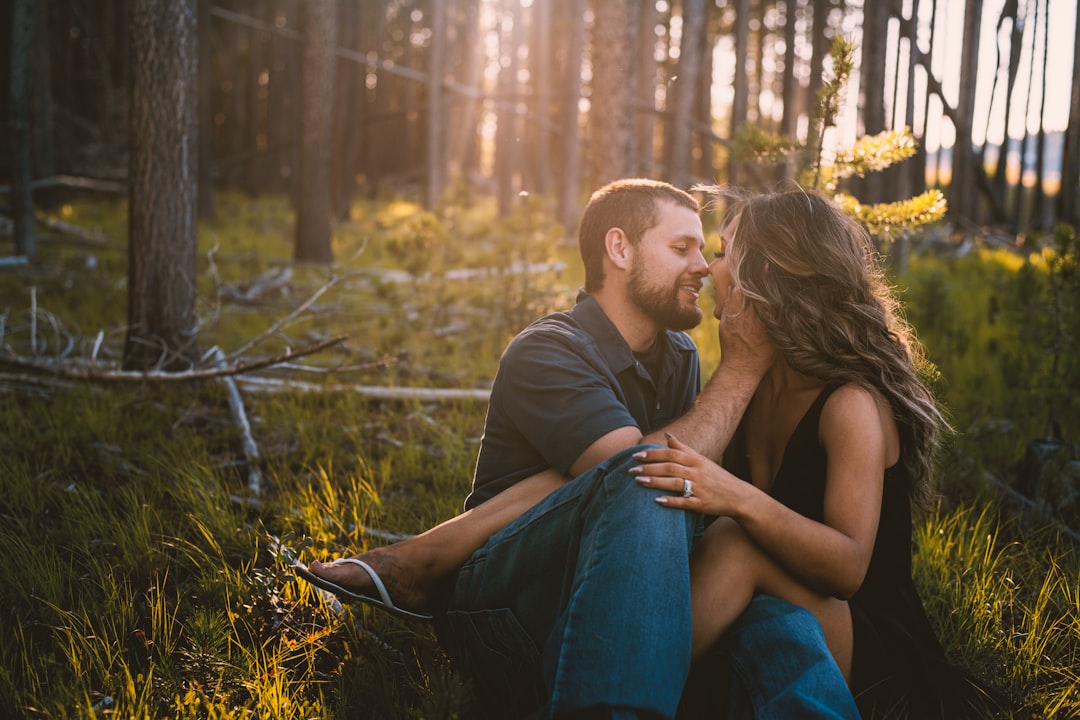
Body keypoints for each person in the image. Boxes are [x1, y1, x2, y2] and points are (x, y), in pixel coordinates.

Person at [294, 179, 858, 719]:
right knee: (647, 478)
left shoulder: (679, 356)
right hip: (509, 603)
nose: (703, 268)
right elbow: (640, 471)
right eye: (682, 247)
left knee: (775, 623)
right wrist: (740, 369)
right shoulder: (547, 351)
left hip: (625, 605)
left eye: (705, 250)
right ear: (619, 248)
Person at [629, 187, 998, 718]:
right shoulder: (748, 383)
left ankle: (625, 695)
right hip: (771, 611)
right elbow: (655, 470)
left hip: (863, 635)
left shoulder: (849, 403)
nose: (711, 269)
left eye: (725, 251)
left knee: (735, 543)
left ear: (769, 274)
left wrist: (735, 498)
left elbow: (848, 568)